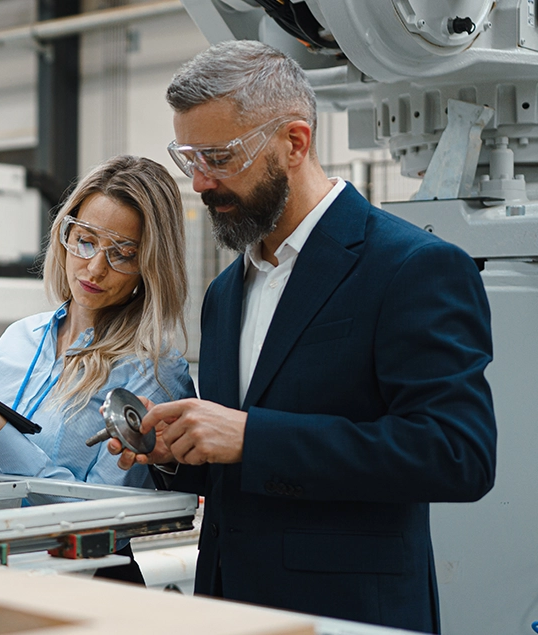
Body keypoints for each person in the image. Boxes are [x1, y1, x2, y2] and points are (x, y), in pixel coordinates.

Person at [109, 41, 497, 632]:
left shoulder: (411, 267)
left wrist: (250, 436)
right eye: (189, 158)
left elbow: (456, 454)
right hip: (227, 606)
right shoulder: (226, 293)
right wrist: (176, 453)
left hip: (348, 615)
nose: (200, 183)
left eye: (218, 157)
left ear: (294, 142)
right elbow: (236, 462)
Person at [0, 154, 197, 584]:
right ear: (66, 233)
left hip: (85, 580)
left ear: (150, 265)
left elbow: (101, 518)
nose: (95, 267)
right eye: (85, 240)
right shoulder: (21, 337)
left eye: (123, 253)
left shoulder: (152, 369)